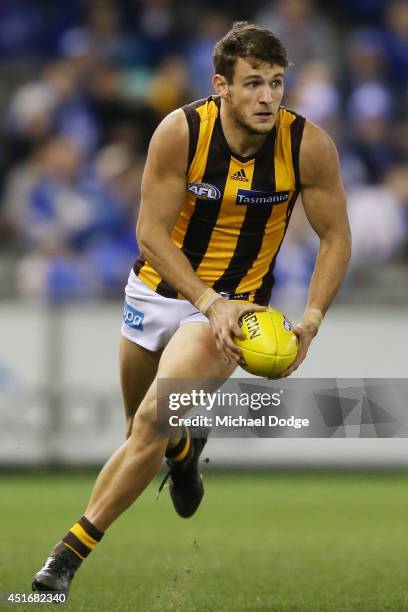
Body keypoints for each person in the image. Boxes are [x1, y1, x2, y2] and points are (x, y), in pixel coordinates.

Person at [32, 21, 351, 595]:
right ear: (221, 86)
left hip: (231, 314)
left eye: (277, 83)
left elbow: (336, 237)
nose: (267, 97)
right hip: (158, 292)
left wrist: (310, 318)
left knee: (155, 418)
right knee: (140, 433)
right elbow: (150, 233)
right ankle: (184, 451)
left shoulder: (308, 145)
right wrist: (204, 297)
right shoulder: (180, 132)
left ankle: (64, 558)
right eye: (253, 83)